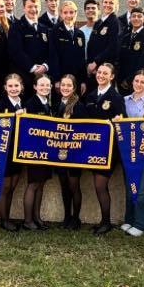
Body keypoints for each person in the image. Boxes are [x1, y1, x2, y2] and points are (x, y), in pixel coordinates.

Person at [82, 62, 124, 234]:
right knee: (98, 185)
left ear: (112, 77)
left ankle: (106, 222)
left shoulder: (116, 97)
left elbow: (122, 121)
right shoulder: (91, 96)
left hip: (109, 149)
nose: (101, 75)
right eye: (99, 72)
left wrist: (114, 123)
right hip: (93, 148)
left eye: (105, 73)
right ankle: (103, 221)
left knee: (100, 185)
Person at [120, 70, 144, 237]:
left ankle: (141, 223)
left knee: (141, 185)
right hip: (127, 147)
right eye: (136, 81)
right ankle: (129, 219)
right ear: (132, 82)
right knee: (130, 183)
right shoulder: (124, 100)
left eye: (142, 82)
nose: (139, 84)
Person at [21, 73, 54, 230]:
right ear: (34, 87)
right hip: (35, 151)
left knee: (41, 185)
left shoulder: (49, 103)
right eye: (41, 85)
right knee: (33, 184)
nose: (45, 87)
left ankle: (37, 218)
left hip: (46, 151)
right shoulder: (31, 103)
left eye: (47, 85)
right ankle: (28, 220)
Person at [54, 74, 88, 231]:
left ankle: (76, 218)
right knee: (64, 185)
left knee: (74, 185)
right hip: (59, 152)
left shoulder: (79, 106)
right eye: (63, 85)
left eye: (69, 86)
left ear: (74, 88)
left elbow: (83, 130)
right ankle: (66, 216)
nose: (65, 88)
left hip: (74, 152)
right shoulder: (56, 103)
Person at [0, 73, 26, 231]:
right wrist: (13, 115)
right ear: (5, 88)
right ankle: (4, 220)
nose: (13, 89)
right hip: (4, 150)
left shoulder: (24, 104)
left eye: (16, 86)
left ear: (22, 87)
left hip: (18, 150)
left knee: (13, 185)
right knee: (5, 186)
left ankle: (8, 217)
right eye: (10, 86)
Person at [9, 0, 51, 88]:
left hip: (43, 78)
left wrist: (45, 66)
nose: (33, 10)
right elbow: (16, 51)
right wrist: (33, 68)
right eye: (30, 7)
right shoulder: (16, 27)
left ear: (40, 8)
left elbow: (51, 51)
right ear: (24, 8)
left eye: (36, 6)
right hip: (24, 77)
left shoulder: (46, 29)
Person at [49, 0, 86, 93]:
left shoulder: (80, 34)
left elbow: (82, 59)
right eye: (65, 12)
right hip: (61, 80)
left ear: (76, 13)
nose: (68, 15)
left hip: (76, 80)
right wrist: (56, 80)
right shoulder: (55, 31)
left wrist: (83, 81)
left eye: (71, 12)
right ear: (61, 14)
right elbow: (53, 56)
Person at [117, 7, 144, 93]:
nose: (136, 18)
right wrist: (120, 78)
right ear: (130, 19)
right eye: (133, 16)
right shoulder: (125, 37)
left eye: (139, 16)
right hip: (121, 82)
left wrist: (130, 79)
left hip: (137, 82)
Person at [86, 0, 120, 85]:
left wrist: (95, 63)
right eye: (105, 2)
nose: (107, 5)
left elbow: (112, 48)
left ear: (116, 5)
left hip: (104, 72)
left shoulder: (115, 23)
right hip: (93, 70)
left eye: (111, 3)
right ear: (101, 4)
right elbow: (91, 45)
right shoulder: (98, 23)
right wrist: (89, 64)